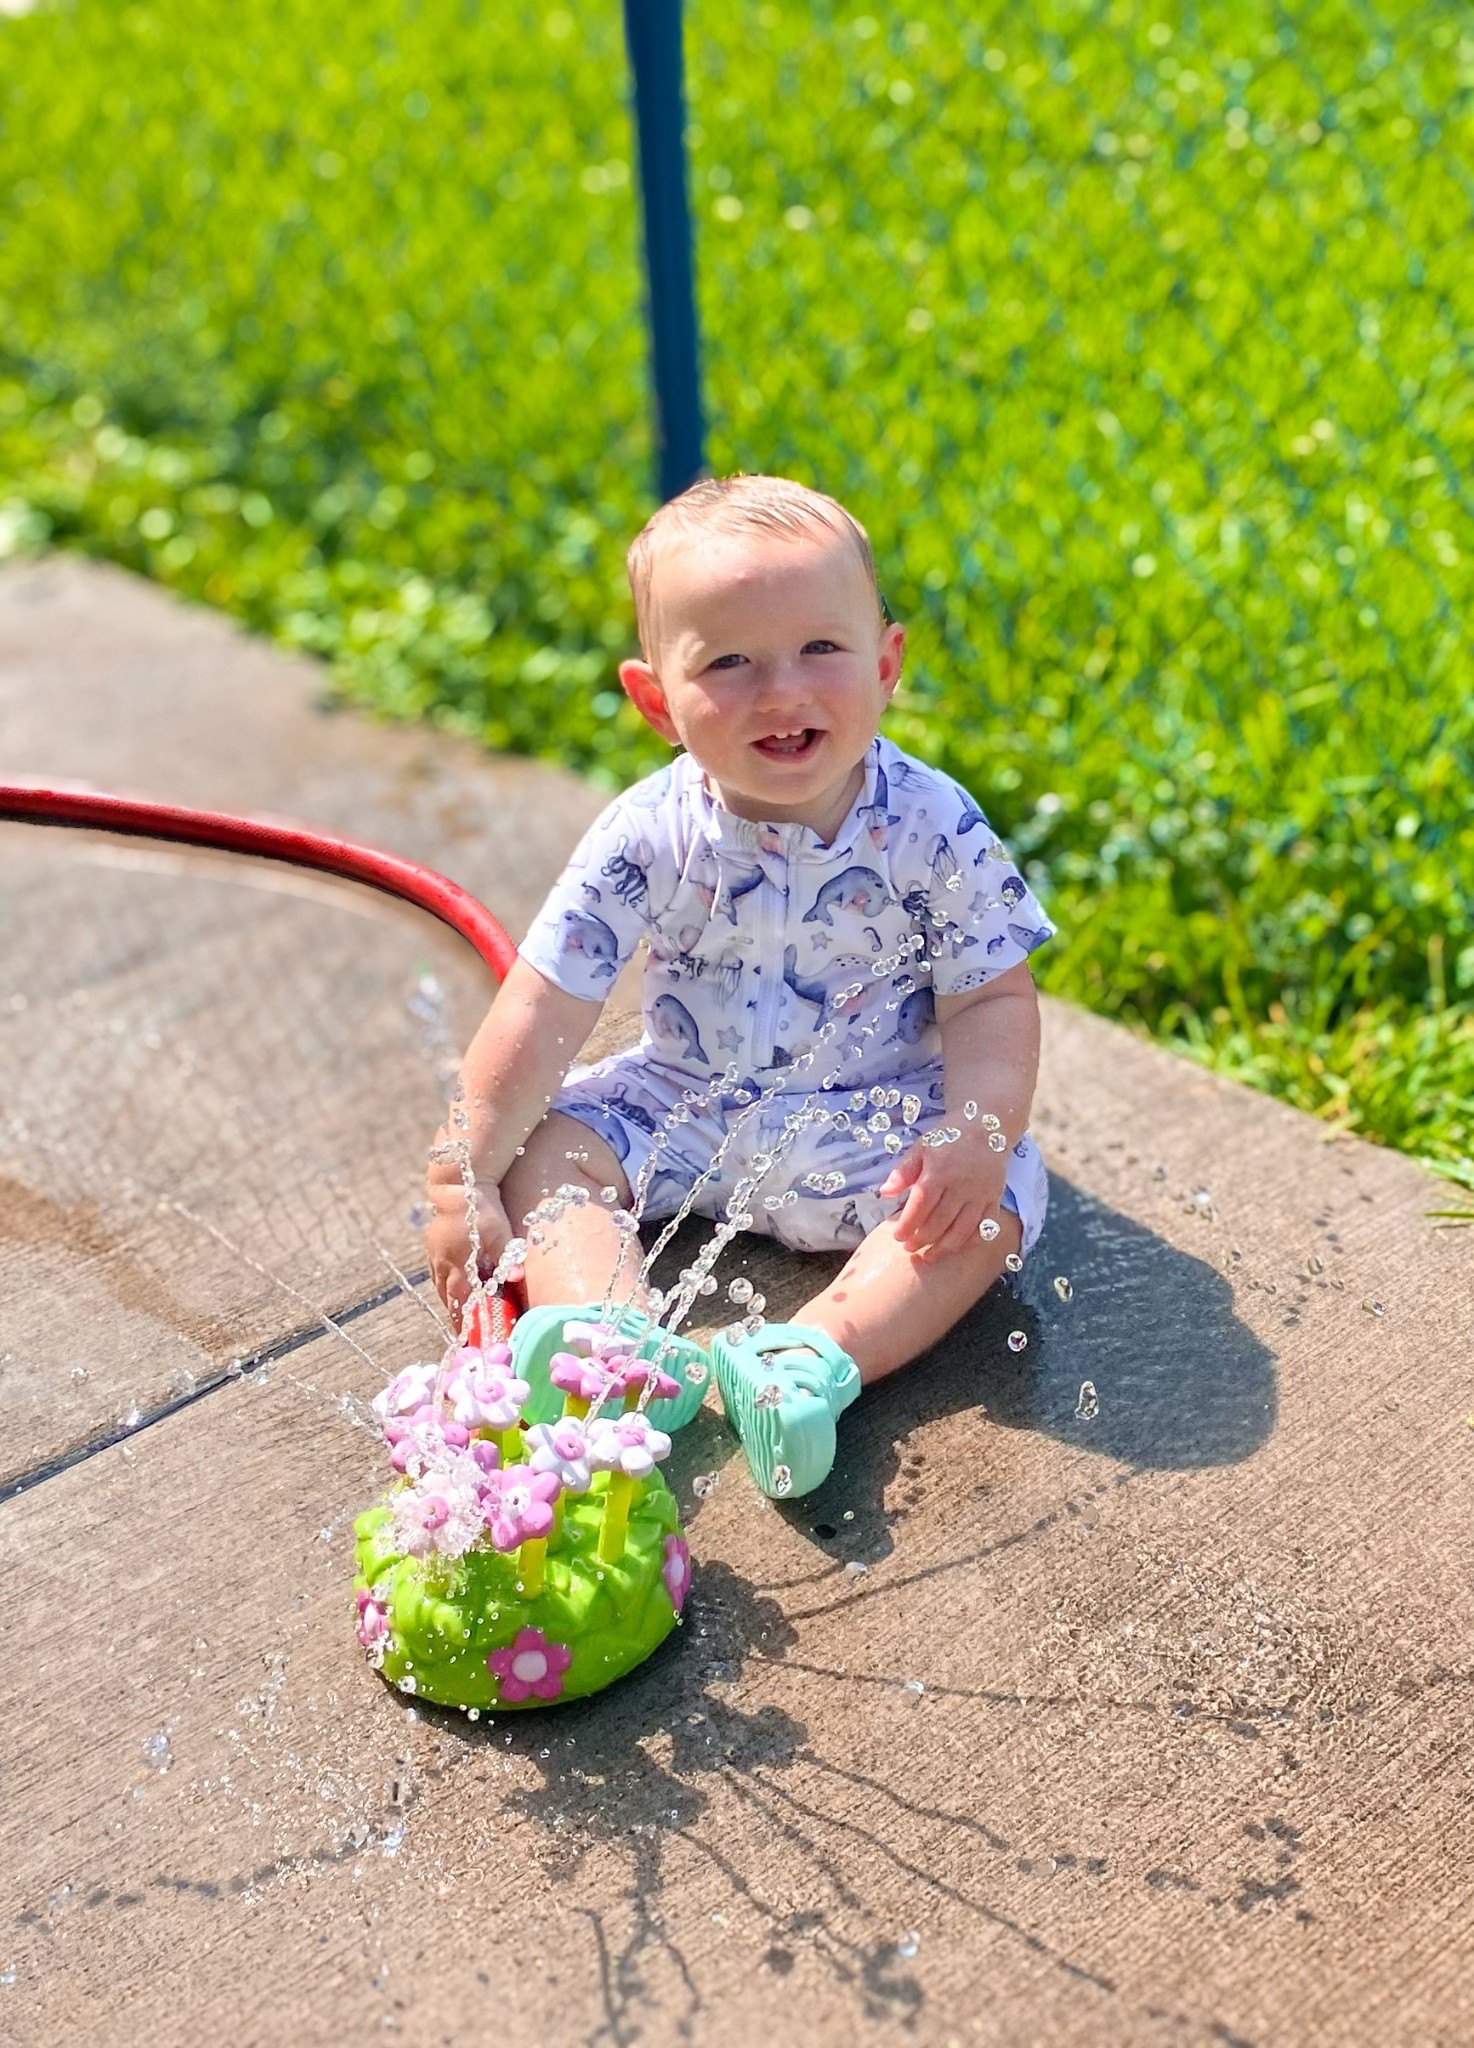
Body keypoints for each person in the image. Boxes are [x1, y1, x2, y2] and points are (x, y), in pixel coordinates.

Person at [423, 474, 1054, 1501]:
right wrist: (462, 1176)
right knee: (549, 1147)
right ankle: (613, 1339)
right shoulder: (645, 833)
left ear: (885, 665)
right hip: (683, 1100)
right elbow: (542, 1006)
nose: (781, 689)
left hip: (872, 1120)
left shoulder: (931, 827)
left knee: (993, 1204)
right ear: (655, 702)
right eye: (728, 662)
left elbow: (989, 998)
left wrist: (975, 1130)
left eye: (821, 648)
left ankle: (810, 1357)